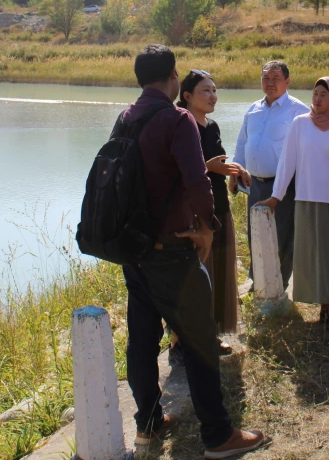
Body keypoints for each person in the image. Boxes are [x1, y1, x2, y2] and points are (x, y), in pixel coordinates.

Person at [120, 45, 268, 458]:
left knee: (142, 342)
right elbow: (198, 183)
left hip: (136, 250)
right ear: (171, 78)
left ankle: (148, 426)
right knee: (202, 340)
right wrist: (206, 230)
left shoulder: (127, 117)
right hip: (174, 248)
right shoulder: (177, 118)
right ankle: (219, 435)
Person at [256, 77, 329, 330]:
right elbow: (287, 163)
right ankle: (328, 306)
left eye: (324, 94)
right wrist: (276, 195)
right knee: (315, 256)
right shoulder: (300, 124)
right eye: (315, 93)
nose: (317, 98)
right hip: (307, 200)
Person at [176, 69, 242, 351]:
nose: (213, 96)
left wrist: (237, 171)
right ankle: (182, 341)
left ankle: (208, 335)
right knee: (194, 276)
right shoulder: (180, 125)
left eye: (215, 90)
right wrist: (209, 167)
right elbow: (177, 171)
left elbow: (219, 160)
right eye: (206, 90)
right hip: (193, 212)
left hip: (218, 208)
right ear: (187, 96)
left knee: (216, 273)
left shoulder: (211, 126)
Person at [232, 60, 310, 288]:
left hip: (283, 185)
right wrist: (236, 169)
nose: (270, 83)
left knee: (282, 235)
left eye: (276, 78)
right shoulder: (254, 109)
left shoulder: (299, 111)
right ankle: (257, 283)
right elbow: (242, 142)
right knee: (255, 233)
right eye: (266, 78)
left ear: (287, 81)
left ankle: (279, 286)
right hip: (254, 183)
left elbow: (306, 151)